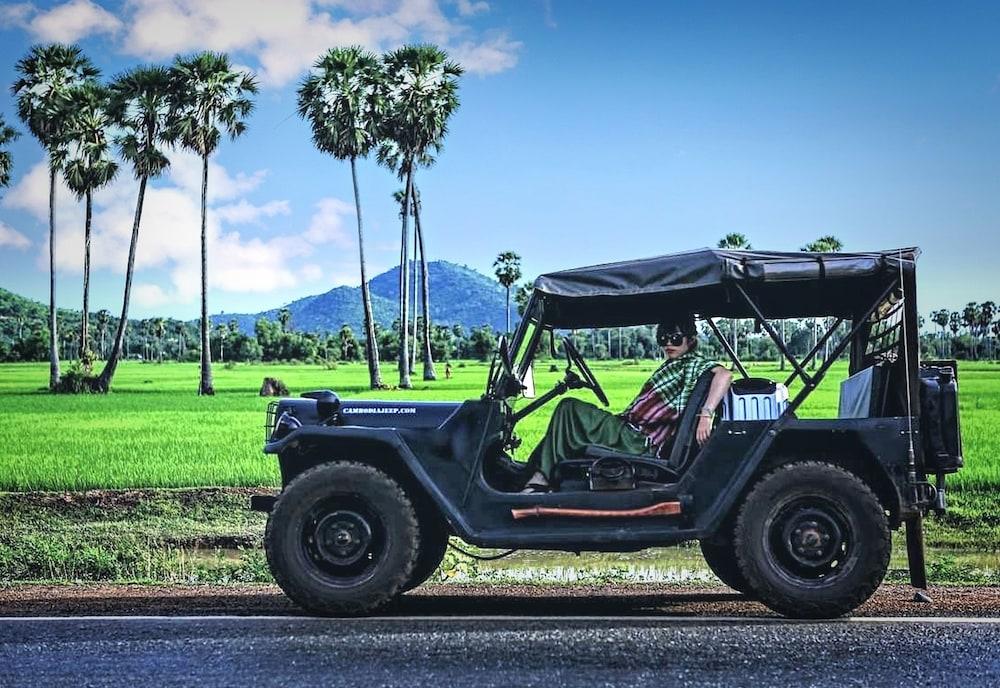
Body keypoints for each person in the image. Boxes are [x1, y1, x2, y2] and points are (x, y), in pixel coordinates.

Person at [521, 314, 733, 492]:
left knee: (568, 408)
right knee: (565, 426)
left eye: (676, 338)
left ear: (690, 340)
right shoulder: (674, 365)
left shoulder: (693, 363)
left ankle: (538, 481)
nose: (668, 343)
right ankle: (531, 475)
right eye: (664, 337)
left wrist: (706, 414)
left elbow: (724, 374)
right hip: (627, 430)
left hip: (637, 440)